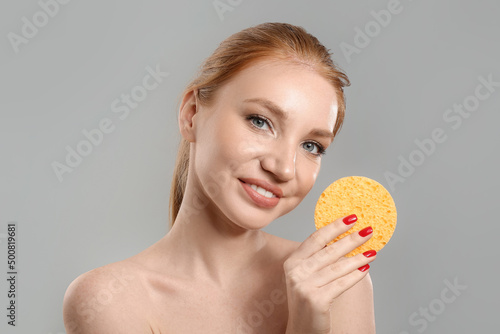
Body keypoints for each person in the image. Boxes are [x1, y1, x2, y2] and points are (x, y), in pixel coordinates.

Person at [63, 22, 376, 334]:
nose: (284, 168)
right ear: (191, 114)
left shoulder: (336, 282)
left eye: (311, 146)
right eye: (260, 121)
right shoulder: (109, 301)